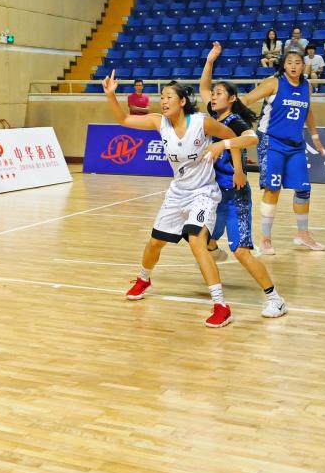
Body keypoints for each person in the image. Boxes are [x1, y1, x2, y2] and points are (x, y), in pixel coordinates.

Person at [102, 72, 240, 327]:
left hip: (203, 193)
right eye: (162, 97)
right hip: (178, 192)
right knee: (155, 243)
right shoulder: (159, 122)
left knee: (197, 242)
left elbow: (232, 136)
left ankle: (221, 306)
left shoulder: (201, 123)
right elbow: (123, 119)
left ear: (182, 101)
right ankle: (144, 279)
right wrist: (111, 95)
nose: (163, 101)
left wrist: (232, 162)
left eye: (169, 97)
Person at [199, 43, 287, 318]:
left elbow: (251, 139)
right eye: (214, 94)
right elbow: (204, 88)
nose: (213, 96)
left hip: (234, 193)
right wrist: (210, 61)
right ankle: (213, 248)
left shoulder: (236, 121)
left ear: (232, 99)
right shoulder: (215, 115)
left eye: (219, 93)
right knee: (197, 237)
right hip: (213, 193)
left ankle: (275, 298)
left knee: (241, 250)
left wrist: (226, 149)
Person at [242, 50, 325, 254]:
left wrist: (316, 137)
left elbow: (307, 111)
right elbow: (246, 100)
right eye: (290, 62)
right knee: (272, 189)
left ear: (303, 65)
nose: (294, 66)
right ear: (284, 65)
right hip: (271, 141)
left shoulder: (307, 86)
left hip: (295, 144)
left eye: (298, 62)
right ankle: (265, 239)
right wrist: (239, 125)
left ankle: (303, 234)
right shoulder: (273, 83)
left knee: (303, 189)